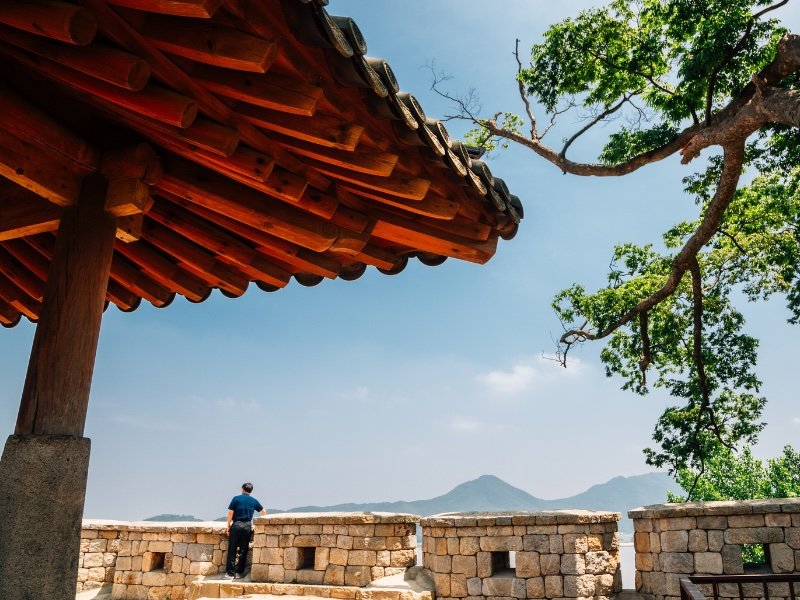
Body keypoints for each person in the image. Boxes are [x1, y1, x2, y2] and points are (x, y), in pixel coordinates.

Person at [224, 482, 266, 579]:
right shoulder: (254, 501)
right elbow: (263, 511)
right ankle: (239, 573)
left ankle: (230, 574)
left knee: (232, 549)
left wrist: (228, 526)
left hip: (237, 524)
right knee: (243, 549)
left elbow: (230, 513)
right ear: (251, 491)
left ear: (242, 489)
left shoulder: (236, 498)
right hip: (247, 525)